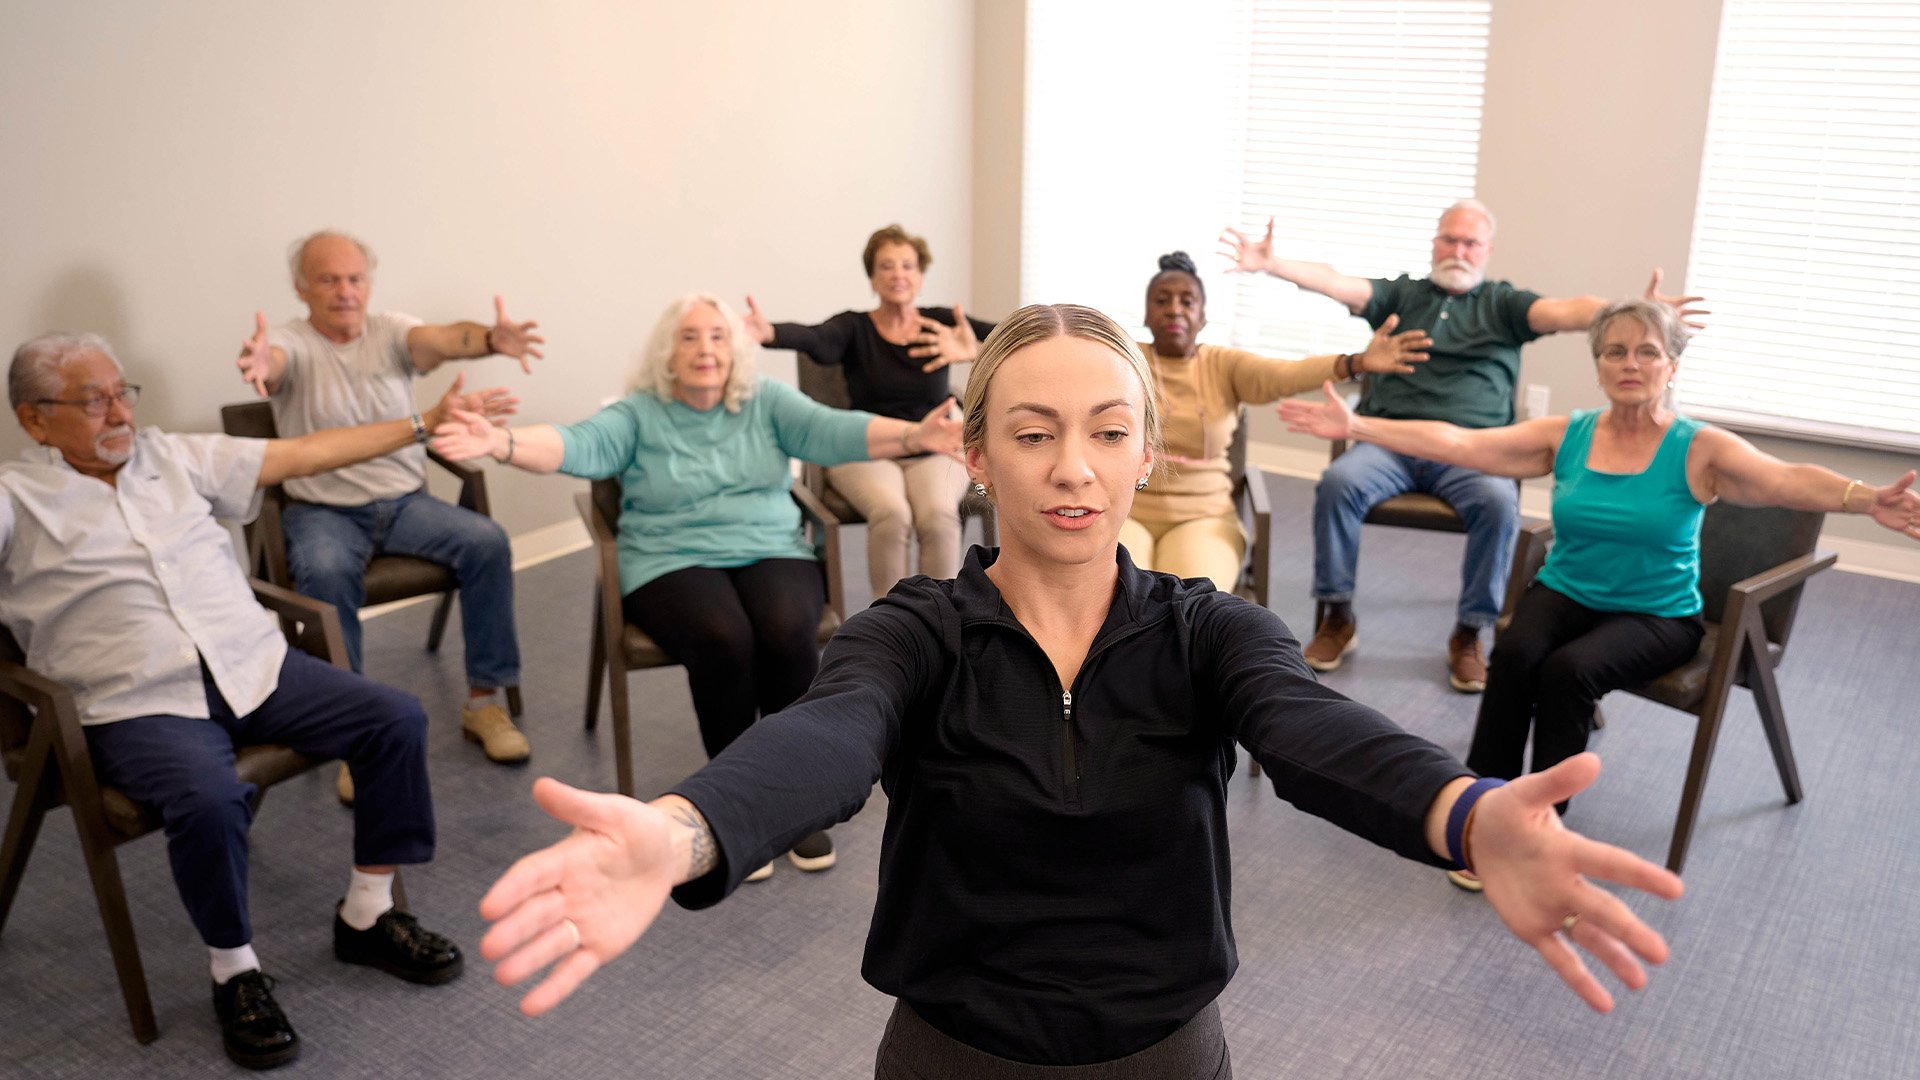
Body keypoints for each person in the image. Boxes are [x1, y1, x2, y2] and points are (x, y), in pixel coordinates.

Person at [473, 304, 1686, 1078]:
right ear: (976, 450)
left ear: (1145, 456)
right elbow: (830, 738)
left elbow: (1311, 730)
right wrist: (688, 829)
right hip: (952, 1054)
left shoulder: (1207, 632)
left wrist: (1467, 813)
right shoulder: (915, 635)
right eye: (1035, 432)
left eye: (1109, 434)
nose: (1073, 469)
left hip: (1168, 1052)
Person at [1279, 298, 1920, 889]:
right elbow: (1460, 443)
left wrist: (1867, 501)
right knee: (1517, 653)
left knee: (1568, 672)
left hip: (1659, 613)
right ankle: (1487, 808)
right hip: (1567, 589)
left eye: (1647, 351)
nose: (1630, 363)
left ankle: (1538, 830)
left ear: (1671, 365)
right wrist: (1359, 425)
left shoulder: (1699, 448)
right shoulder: (1571, 435)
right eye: (1615, 351)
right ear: (1598, 366)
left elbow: (1785, 479)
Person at [3, 332, 480, 1069]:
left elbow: (306, 454)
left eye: (121, 392)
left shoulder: (172, 456)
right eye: (91, 401)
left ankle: (367, 914)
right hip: (136, 699)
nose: (117, 412)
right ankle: (236, 971)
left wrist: (422, 424)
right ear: (35, 421)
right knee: (211, 798)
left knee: (395, 717)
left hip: (252, 665)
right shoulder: (15, 498)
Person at [432, 293, 962, 878]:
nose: (705, 348)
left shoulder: (764, 403)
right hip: (668, 555)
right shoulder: (639, 414)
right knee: (723, 637)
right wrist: (500, 442)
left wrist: (918, 436)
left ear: (735, 349)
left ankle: (796, 794)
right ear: (667, 351)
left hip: (764, 543)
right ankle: (732, 804)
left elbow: (837, 430)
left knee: (790, 629)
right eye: (689, 337)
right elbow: (573, 444)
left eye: (716, 336)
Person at [1222, 200, 1706, 693]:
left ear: (1487, 250)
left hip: (1472, 453)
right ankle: (1337, 615)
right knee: (1338, 482)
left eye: (1470, 242)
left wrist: (1637, 315)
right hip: (1388, 443)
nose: (1458, 250)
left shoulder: (1504, 305)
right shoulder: (1402, 294)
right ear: (1435, 242)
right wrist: (1273, 264)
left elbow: (1569, 311)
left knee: (1499, 503)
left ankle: (1469, 632)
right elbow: (1336, 281)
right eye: (1449, 239)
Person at [233, 229, 540, 767]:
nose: (344, 291)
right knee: (325, 574)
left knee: (487, 542)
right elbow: (275, 361)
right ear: (302, 289)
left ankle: (484, 702)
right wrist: (262, 364)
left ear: (369, 284)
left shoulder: (392, 331)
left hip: (405, 505)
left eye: (354, 279)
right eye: (328, 280)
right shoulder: (294, 342)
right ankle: (356, 733)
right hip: (322, 512)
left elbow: (444, 339)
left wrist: (490, 339)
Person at [1124, 250, 1431, 592]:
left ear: (1203, 317)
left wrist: (1357, 362)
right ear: (1147, 315)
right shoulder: (1125, 362)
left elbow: (1285, 375)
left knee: (1191, 605)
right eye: (1161, 301)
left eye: (1187, 301)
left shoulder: (1223, 365)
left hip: (1203, 516)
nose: (1174, 310)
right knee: (1118, 595)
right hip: (1127, 511)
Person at [740, 224, 994, 598]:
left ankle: (940, 624)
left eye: (907, 265)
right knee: (892, 515)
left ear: (921, 277)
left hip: (935, 448)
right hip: (870, 447)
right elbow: (816, 339)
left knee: (938, 517)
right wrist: (769, 332)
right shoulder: (854, 327)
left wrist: (975, 352)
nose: (898, 274)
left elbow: (1015, 336)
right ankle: (889, 631)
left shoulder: (942, 323)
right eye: (886, 266)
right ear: (872, 279)